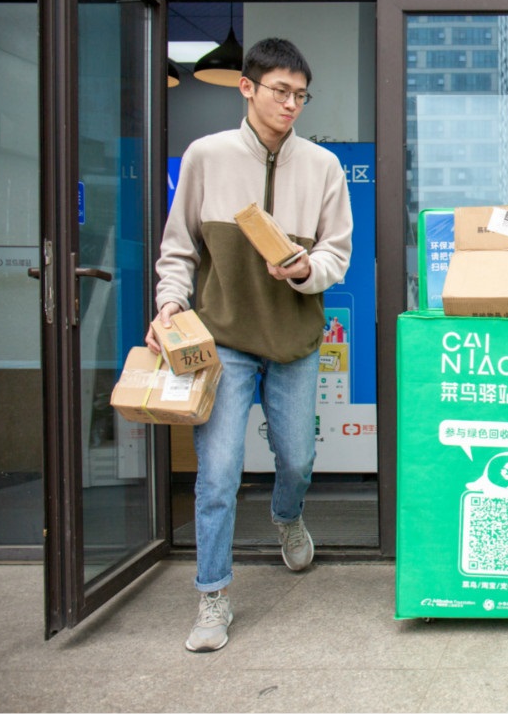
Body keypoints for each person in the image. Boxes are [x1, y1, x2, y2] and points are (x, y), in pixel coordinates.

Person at [147, 38, 353, 652]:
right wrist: (169, 305)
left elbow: (336, 254)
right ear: (247, 87)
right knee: (216, 475)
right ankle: (213, 596)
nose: (291, 104)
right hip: (223, 339)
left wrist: (302, 270)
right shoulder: (205, 157)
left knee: (296, 459)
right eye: (280, 91)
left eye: (300, 95)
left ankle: (287, 517)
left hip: (292, 337)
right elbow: (179, 246)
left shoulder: (322, 166)